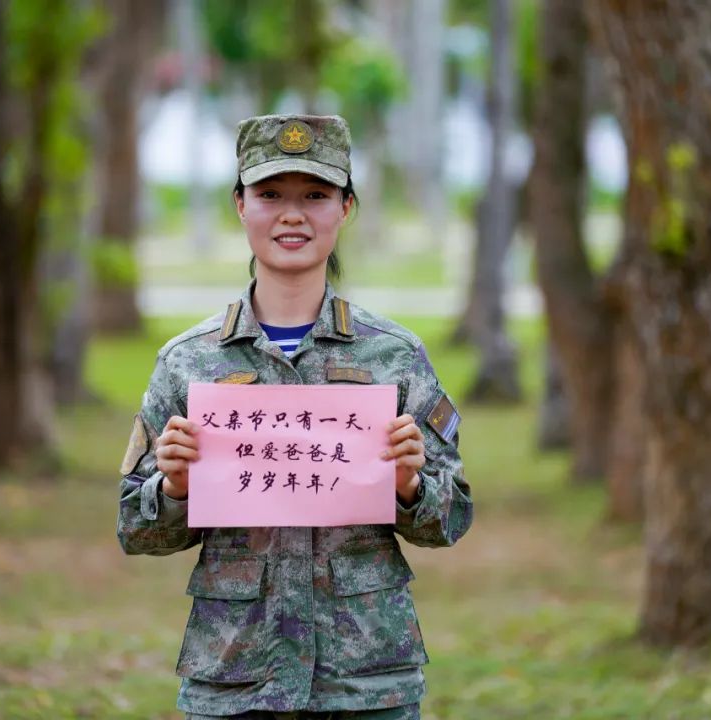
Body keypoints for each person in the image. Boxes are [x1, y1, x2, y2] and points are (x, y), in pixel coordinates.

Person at [117, 114, 472, 720]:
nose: (292, 215)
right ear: (240, 205)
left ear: (346, 208)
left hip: (365, 684)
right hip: (235, 677)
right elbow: (135, 527)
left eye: (315, 196)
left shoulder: (394, 356)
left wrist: (408, 486)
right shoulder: (188, 362)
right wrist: (174, 487)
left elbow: (453, 517)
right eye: (270, 195)